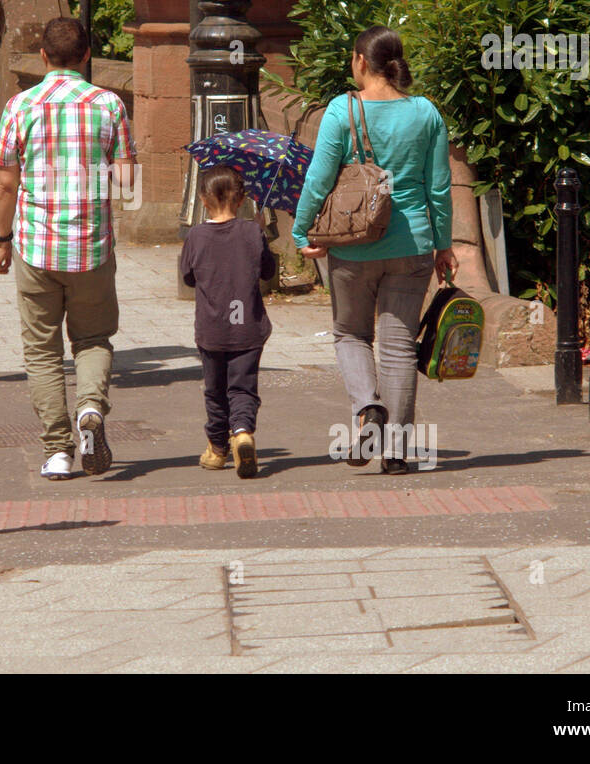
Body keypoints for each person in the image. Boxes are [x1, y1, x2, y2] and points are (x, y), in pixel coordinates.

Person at [291, 26, 456, 475]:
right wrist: (443, 245)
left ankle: (368, 409)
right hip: (413, 245)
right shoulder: (425, 113)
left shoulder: (341, 111)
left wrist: (303, 230)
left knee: (350, 335)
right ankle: (398, 452)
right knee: (399, 348)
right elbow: (439, 189)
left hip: (353, 244)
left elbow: (320, 177)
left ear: (361, 62)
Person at [0, 17, 136, 481]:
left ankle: (57, 451)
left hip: (36, 247)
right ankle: (90, 407)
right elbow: (127, 181)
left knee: (43, 351)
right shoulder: (108, 104)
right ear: (87, 55)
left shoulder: (21, 105)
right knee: (92, 339)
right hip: (92, 247)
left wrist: (2, 240)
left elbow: (5, 182)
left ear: (44, 57)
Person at [180, 166, 276, 479]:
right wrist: (260, 232)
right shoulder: (251, 232)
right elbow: (268, 271)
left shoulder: (196, 236)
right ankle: (244, 432)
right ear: (242, 199)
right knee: (243, 386)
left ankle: (217, 449)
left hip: (212, 328)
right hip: (248, 326)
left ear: (203, 200)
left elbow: (188, 277)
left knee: (215, 389)